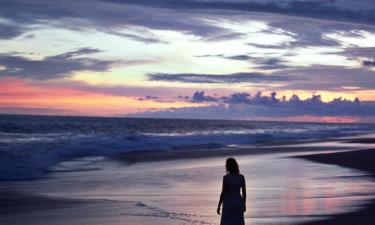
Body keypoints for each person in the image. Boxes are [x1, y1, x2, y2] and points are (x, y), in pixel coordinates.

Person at [217, 157, 246, 225]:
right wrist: (244, 204)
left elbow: (223, 193)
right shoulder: (241, 177)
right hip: (238, 202)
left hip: (228, 203)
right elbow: (244, 193)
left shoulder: (226, 178)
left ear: (227, 166)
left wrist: (219, 205)